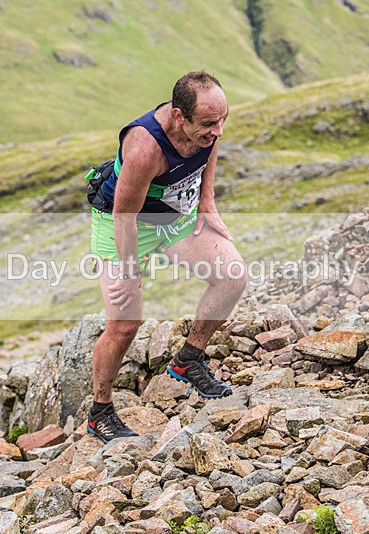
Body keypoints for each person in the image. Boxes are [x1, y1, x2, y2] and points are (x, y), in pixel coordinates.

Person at [87, 71, 248, 443]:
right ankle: (100, 411)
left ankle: (189, 360)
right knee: (126, 322)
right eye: (209, 123)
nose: (218, 131)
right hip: (124, 224)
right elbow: (123, 216)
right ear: (179, 116)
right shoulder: (144, 148)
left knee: (233, 276)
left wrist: (206, 202)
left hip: (173, 217)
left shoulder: (206, 126)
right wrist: (129, 273)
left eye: (223, 120)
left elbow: (209, 148)